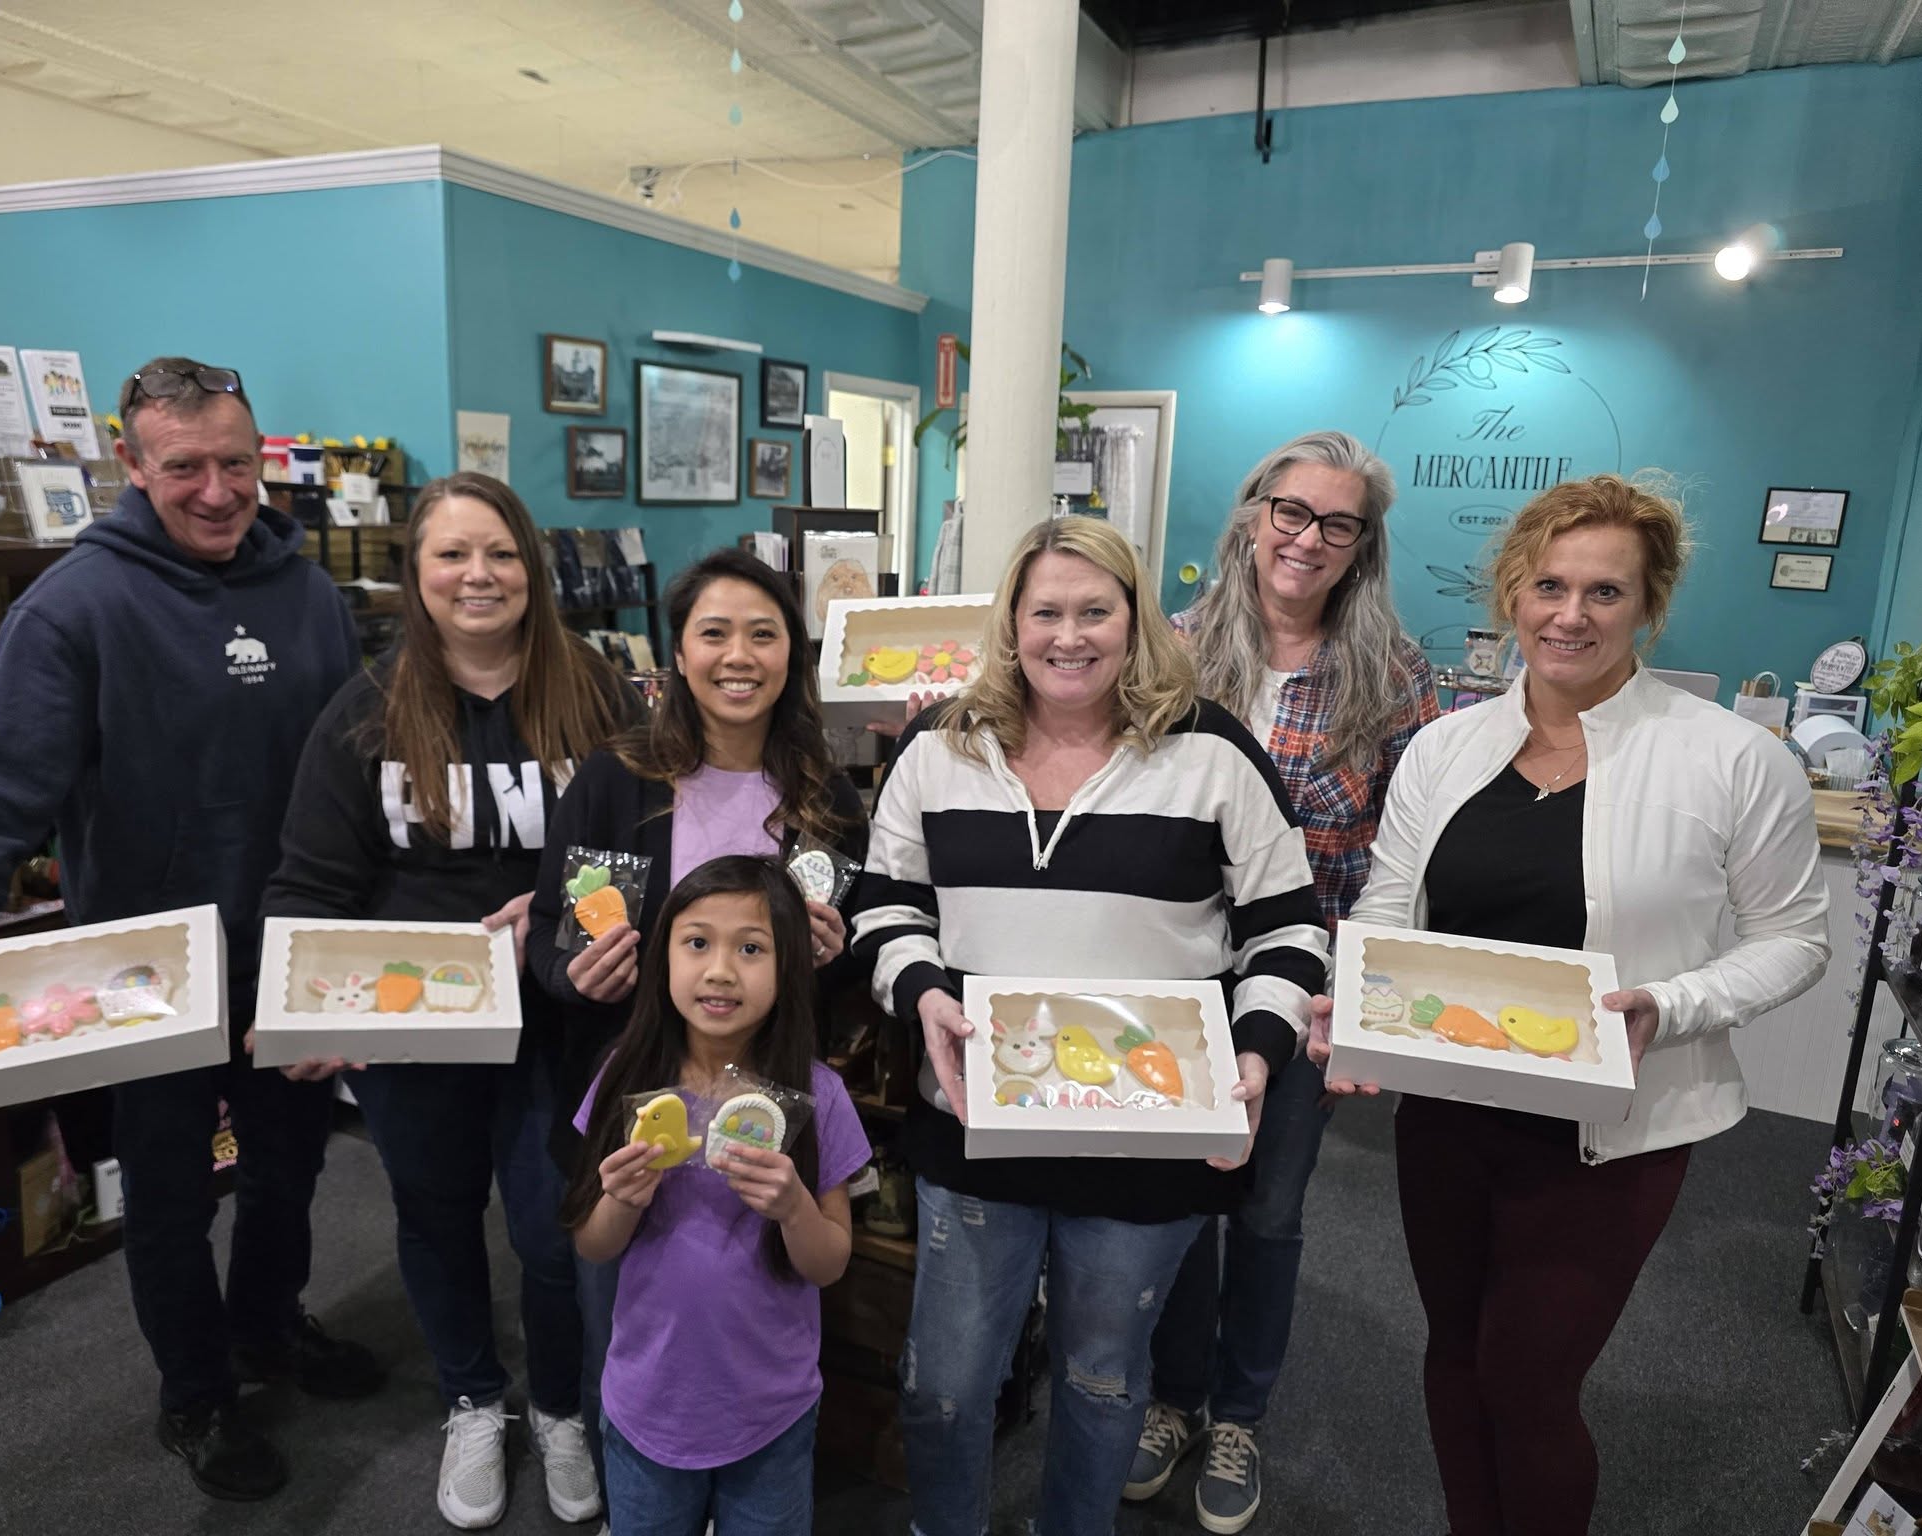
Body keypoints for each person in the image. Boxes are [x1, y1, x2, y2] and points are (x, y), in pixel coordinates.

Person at [0, 358, 379, 1500]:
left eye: (237, 464)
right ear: (131, 464)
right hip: (144, 980)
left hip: (288, 960)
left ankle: (266, 1328)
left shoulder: (310, 596)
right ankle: (194, 1394)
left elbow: (357, 775)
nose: (218, 491)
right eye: (185, 467)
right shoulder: (72, 609)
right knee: (167, 1197)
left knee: (288, 1172)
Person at [1311, 473, 1829, 1536]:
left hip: (1616, 1129)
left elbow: (1795, 940)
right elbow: (1391, 904)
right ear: (1512, 593)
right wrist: (1349, 999)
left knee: (1527, 1379)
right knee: (1455, 1355)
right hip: (1450, 1110)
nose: (1570, 615)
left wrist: (1669, 1005)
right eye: (1548, 585)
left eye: (1605, 591)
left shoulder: (1731, 758)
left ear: (1648, 605)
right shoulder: (1446, 748)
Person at [851, 516, 1331, 1536]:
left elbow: (1290, 928)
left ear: (1134, 620)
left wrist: (1256, 1050)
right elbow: (884, 905)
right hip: (974, 1121)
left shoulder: (1209, 751)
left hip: (1146, 1138)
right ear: (1010, 624)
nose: (1068, 636)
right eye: (1045, 613)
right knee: (944, 1388)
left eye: (1094, 612)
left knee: (1103, 1381)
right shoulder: (940, 747)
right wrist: (923, 991)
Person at [259, 471, 641, 1529]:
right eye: (452, 555)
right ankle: (473, 1400)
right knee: (434, 1216)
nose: (479, 575)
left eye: (501, 553)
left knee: (556, 1232)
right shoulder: (367, 710)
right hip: (415, 1025)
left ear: (532, 569)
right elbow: (309, 882)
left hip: (562, 1019)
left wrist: (562, 904)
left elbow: (645, 843)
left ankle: (559, 1407)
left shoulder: (597, 695)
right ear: (416, 573)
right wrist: (298, 1008)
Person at [1129, 430, 1438, 1531]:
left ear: (1362, 546)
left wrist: (1363, 1010)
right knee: (1178, 1201)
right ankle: (1171, 1401)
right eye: (1290, 512)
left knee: (1266, 1210)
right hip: (1176, 978)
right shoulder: (1167, 652)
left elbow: (1407, 860)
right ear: (1253, 516)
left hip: (1304, 991)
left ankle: (1238, 1414)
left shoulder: (1394, 677)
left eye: (1336, 523)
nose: (1307, 539)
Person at [524, 546, 867, 1473]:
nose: (738, 656)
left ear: (793, 653)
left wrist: (833, 953)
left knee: (759, 1305)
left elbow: (849, 960)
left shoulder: (825, 796)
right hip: (634, 1090)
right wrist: (576, 976)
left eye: (764, 634)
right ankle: (628, 1472)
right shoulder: (616, 779)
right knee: (622, 1311)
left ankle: (748, 1461)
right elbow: (551, 931)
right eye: (714, 633)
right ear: (678, 653)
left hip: (771, 1110)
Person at [565, 855, 870, 1532]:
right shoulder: (626, 1076)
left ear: (790, 967)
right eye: (697, 942)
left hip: (772, 1409)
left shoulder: (819, 1096)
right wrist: (621, 1200)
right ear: (663, 956)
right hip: (649, 1402)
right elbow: (592, 1245)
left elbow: (829, 1263)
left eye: (752, 949)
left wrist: (793, 1208)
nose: (722, 970)